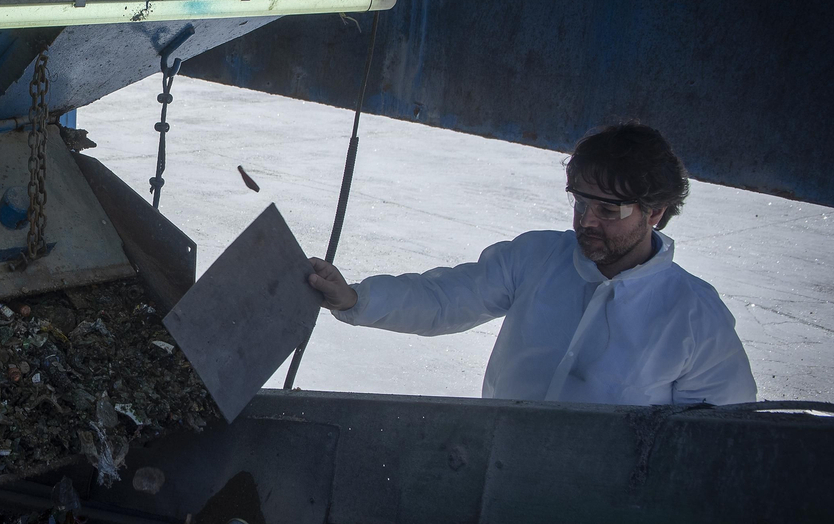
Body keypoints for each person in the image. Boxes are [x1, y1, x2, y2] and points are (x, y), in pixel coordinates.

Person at [306, 123, 756, 405]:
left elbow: (714, 438)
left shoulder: (695, 317)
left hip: (608, 516)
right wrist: (356, 299)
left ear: (655, 213)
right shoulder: (537, 258)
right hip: (500, 468)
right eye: (579, 203)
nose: (587, 222)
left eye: (608, 210)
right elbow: (444, 299)